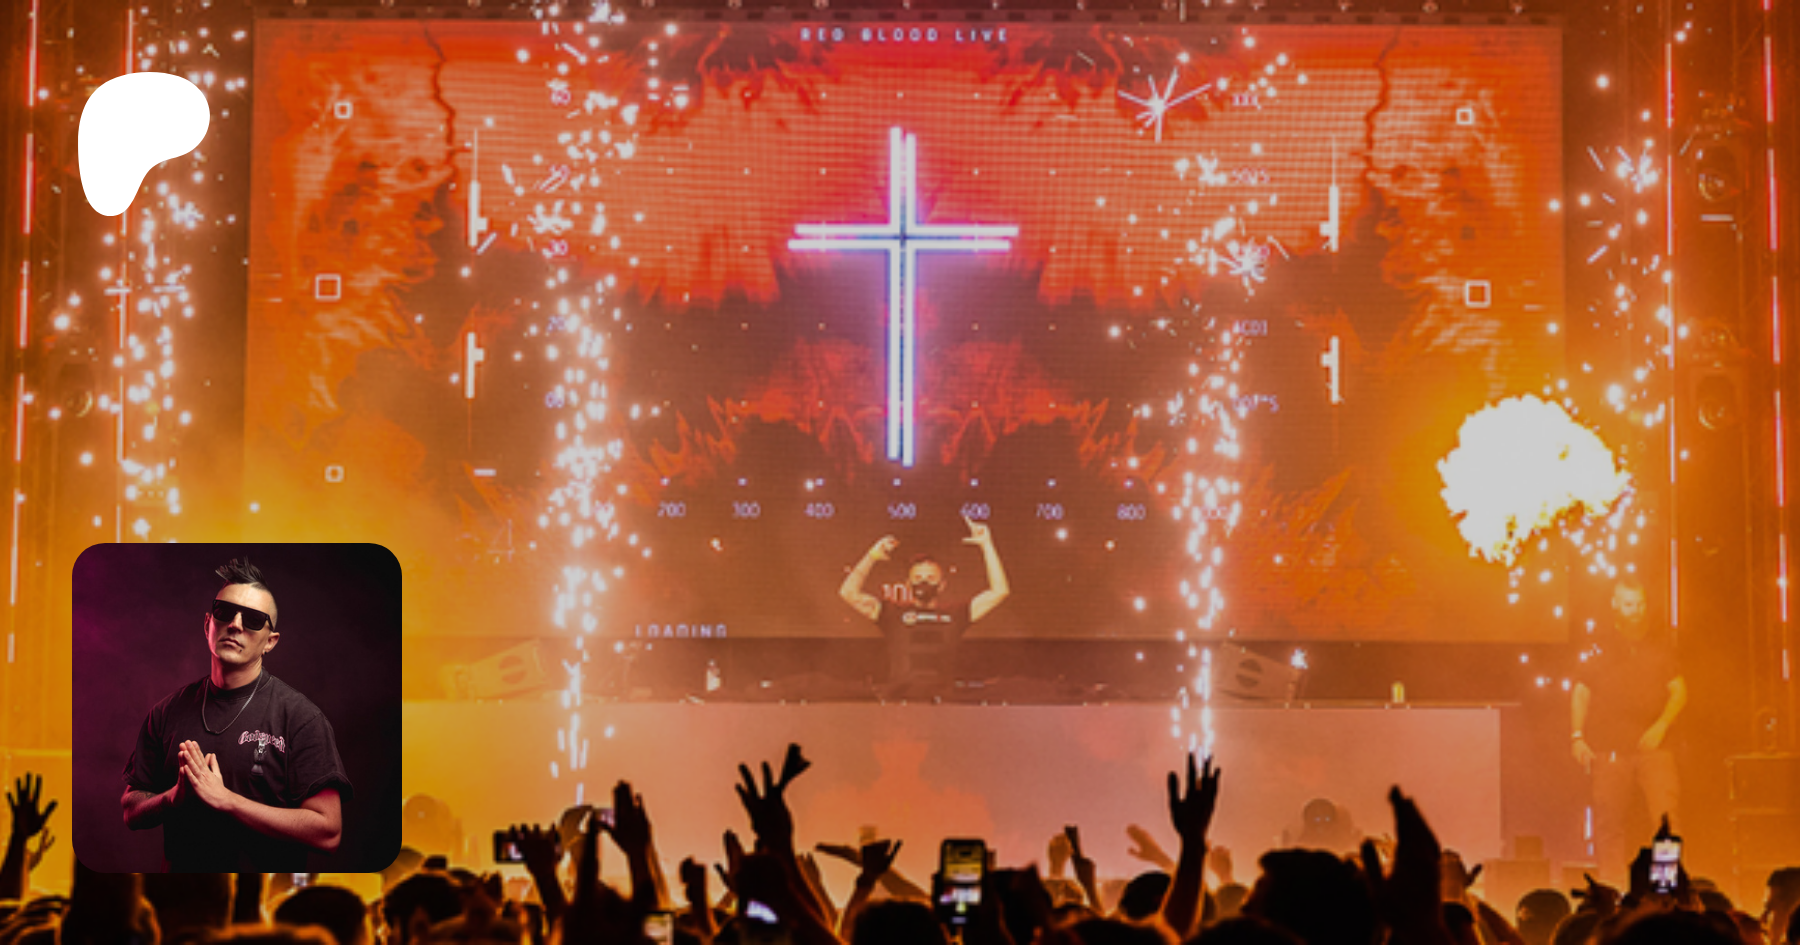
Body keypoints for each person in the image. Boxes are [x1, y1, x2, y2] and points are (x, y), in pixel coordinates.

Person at [121, 558, 353, 871]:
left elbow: (328, 832)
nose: (236, 625)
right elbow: (131, 810)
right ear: (208, 624)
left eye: (254, 619)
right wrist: (173, 798)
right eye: (225, 611)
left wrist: (227, 801)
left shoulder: (301, 719)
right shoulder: (166, 712)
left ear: (270, 642)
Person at [1570, 575, 1686, 881]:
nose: (1636, 610)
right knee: (1608, 822)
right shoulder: (1598, 645)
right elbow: (1581, 691)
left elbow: (1679, 691)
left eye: (1640, 604)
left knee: (1667, 818)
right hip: (1609, 747)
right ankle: (1613, 887)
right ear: (1615, 605)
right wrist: (1577, 736)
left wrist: (1661, 725)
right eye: (1629, 604)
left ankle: (1666, 884)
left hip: (1655, 747)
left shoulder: (1659, 643)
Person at [839, 516, 1010, 691]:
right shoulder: (892, 612)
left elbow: (999, 591)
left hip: (944, 700)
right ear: (908, 584)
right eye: (918, 578)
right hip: (900, 699)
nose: (924, 582)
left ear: (942, 585)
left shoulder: (957, 613)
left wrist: (986, 545)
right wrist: (872, 556)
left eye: (930, 578)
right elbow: (848, 593)